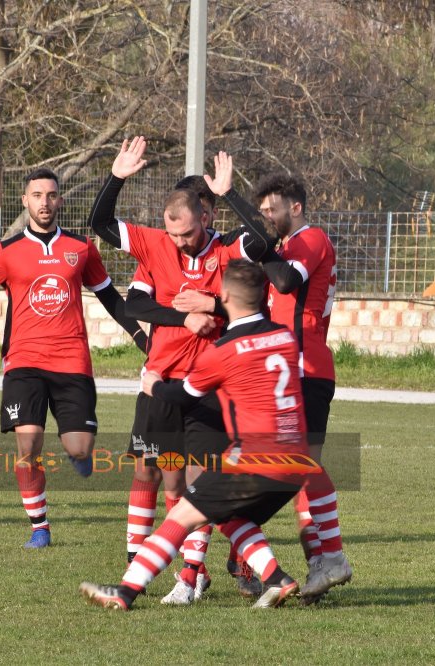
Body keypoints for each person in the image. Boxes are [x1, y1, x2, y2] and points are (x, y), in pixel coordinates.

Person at [88, 139, 273, 604]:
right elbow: (102, 228)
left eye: (187, 234)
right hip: (161, 382)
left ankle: (190, 575)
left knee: (196, 482)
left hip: (208, 386)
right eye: (172, 234)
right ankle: (139, 560)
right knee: (156, 472)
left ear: (205, 220)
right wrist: (117, 177)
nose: (179, 242)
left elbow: (267, 242)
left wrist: (230, 193)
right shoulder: (154, 245)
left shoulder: (227, 250)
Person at [0, 167, 147, 549]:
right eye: (37, 195)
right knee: (27, 446)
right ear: (25, 200)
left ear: (60, 200)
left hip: (72, 361)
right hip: (24, 361)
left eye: (51, 195)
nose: (44, 202)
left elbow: (111, 298)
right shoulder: (8, 251)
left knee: (79, 448)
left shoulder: (81, 248)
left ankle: (78, 455)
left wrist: (138, 335)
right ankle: (40, 527)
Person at [79, 259, 309, 610]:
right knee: (230, 516)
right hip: (296, 462)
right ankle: (278, 579)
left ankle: (125, 592)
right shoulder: (286, 337)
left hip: (255, 461)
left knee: (180, 516)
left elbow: (183, 395)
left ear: (225, 294)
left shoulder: (223, 350)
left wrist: (155, 385)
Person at [252, 172, 352, 602]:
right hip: (287, 369)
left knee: (301, 463)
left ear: (295, 207)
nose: (267, 219)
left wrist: (237, 210)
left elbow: (287, 282)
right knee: (289, 467)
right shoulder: (287, 247)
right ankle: (321, 561)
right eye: (261, 213)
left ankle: (330, 559)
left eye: (271, 210)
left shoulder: (311, 239)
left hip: (307, 367)